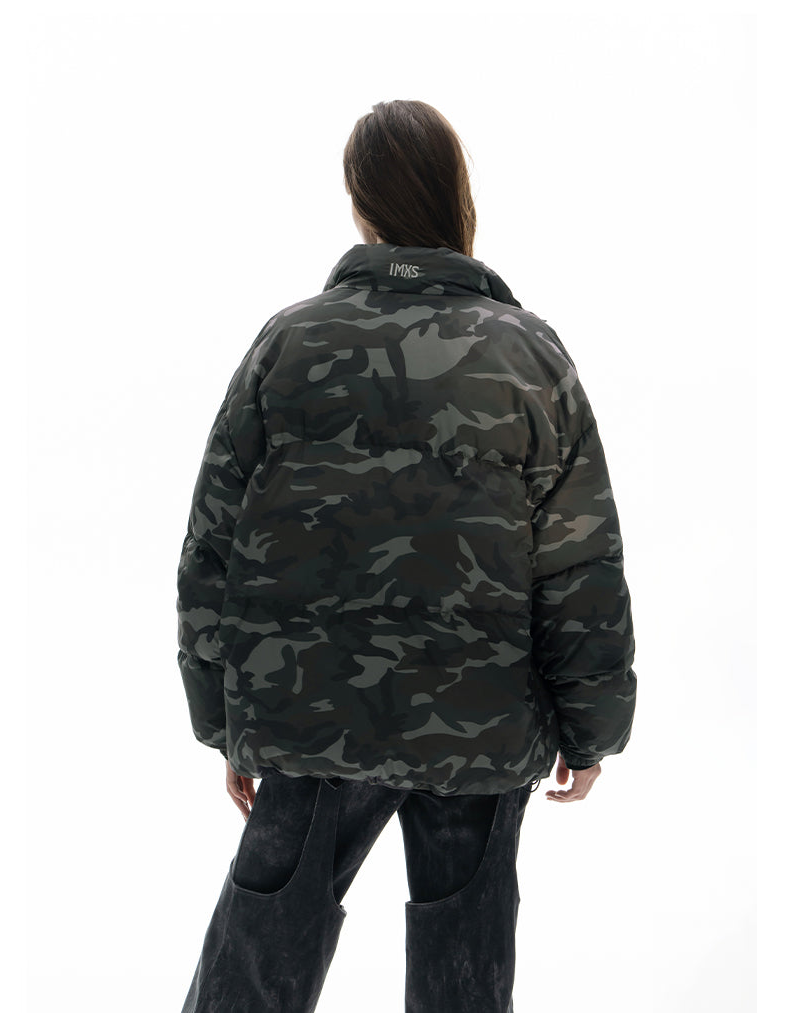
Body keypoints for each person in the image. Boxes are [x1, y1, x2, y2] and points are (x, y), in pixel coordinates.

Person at [176, 99, 637, 1013]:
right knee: (465, 962)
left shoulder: (288, 343)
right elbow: (579, 563)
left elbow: (211, 549)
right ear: (457, 197)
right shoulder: (528, 354)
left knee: (258, 956)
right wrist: (592, 727)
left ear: (361, 202)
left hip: (311, 714)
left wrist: (224, 715)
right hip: (480, 722)